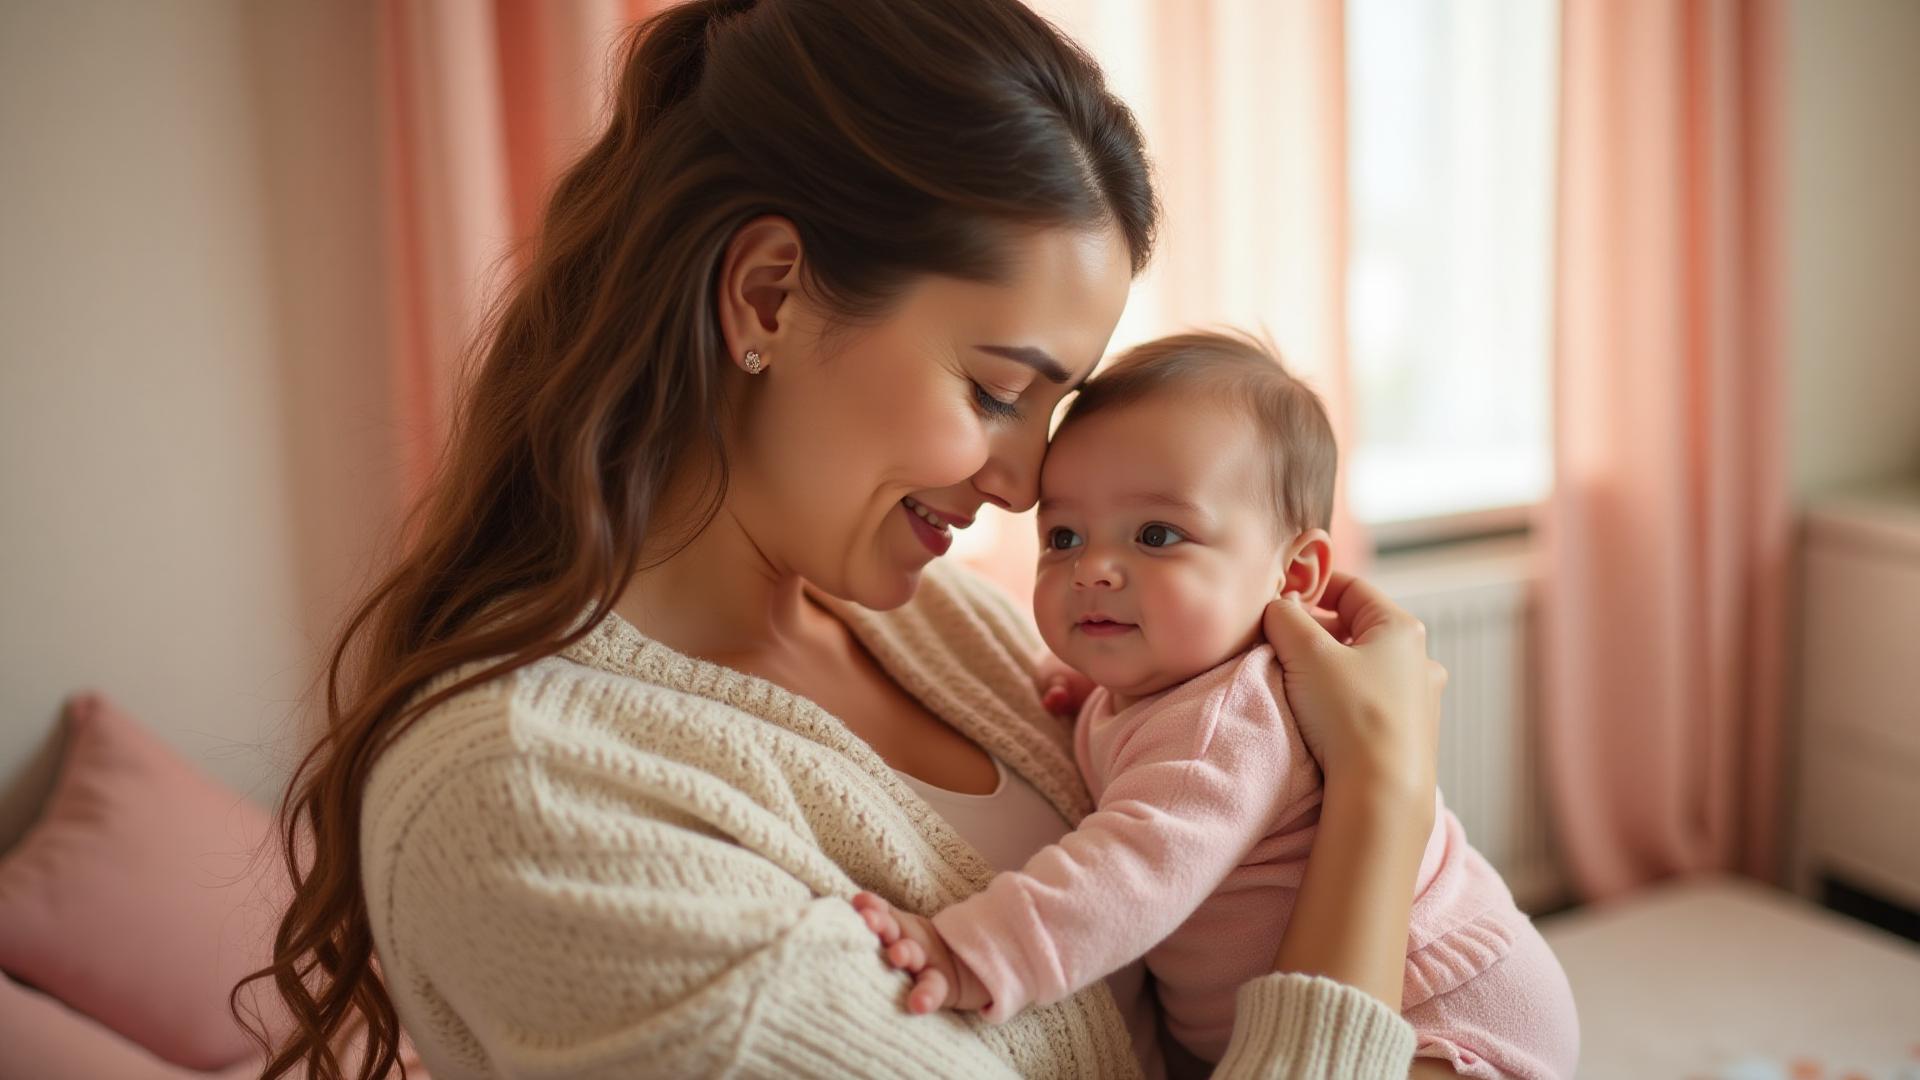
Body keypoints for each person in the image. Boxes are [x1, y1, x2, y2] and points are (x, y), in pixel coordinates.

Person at [237, 2, 1450, 1078]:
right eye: (991, 390)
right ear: (767, 295)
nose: (1028, 487)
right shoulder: (533, 803)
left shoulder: (950, 625)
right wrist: (1382, 794)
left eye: (1053, 407)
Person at [851, 332, 1579, 1078]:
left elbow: (1126, 874)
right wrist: (1089, 687)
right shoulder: (1161, 680)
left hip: (1441, 1012)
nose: (1094, 569)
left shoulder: (1229, 715)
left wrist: (975, 952)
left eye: (1157, 535)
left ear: (1295, 575)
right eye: (1064, 536)